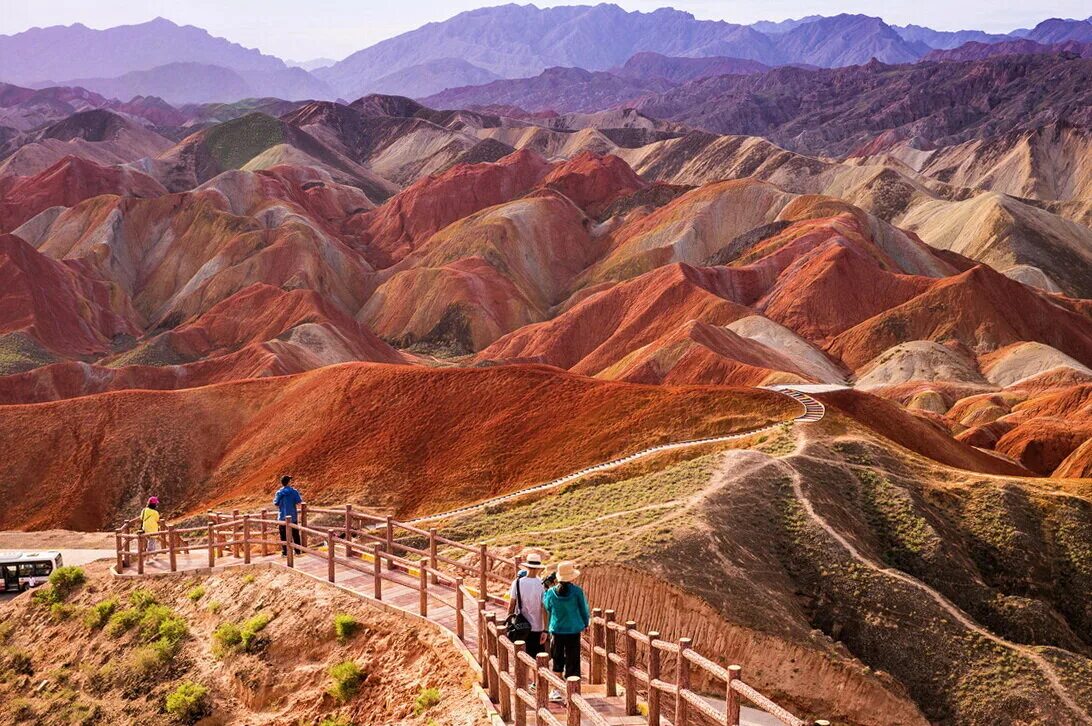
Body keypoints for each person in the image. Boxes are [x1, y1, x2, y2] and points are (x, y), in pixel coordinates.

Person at [543, 561, 590, 702]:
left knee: (557, 658)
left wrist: (547, 589)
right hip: (573, 629)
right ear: (571, 577)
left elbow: (547, 607)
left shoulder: (551, 593)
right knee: (573, 658)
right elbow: (583, 609)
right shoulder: (577, 592)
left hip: (557, 629)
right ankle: (573, 691)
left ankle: (556, 690)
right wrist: (586, 623)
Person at [507, 553, 548, 656]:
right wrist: (546, 630)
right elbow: (544, 608)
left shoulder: (517, 582)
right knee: (537, 657)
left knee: (522, 656)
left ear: (527, 567)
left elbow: (512, 604)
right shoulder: (542, 584)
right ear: (539, 568)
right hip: (538, 627)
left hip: (521, 626)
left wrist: (509, 622)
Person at [274, 475, 303, 556]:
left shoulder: (279, 492)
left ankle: (285, 552)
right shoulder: (294, 492)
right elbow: (299, 502)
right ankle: (297, 551)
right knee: (295, 534)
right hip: (292, 516)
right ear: (289, 482)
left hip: (282, 517)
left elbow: (276, 504)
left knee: (283, 536)